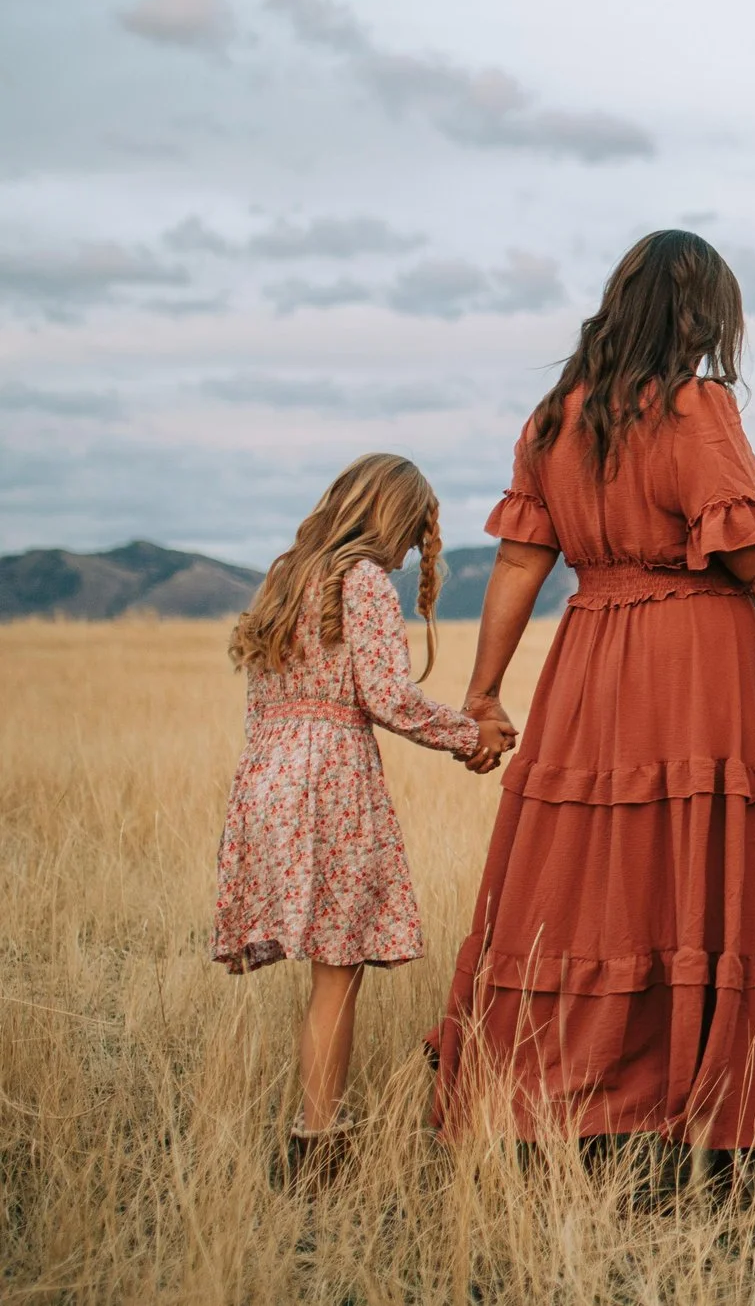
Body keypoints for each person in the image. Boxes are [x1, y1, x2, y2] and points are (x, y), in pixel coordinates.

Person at [428, 230, 755, 1158]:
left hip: (591, 662)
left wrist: (483, 694)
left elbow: (519, 565)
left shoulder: (552, 418)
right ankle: (701, 1115)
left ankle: (572, 1103)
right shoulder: (697, 407)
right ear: (701, 315)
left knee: (584, 881)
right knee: (694, 875)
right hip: (697, 666)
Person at [216, 453, 511, 1184]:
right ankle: (319, 1145)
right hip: (330, 784)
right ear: (392, 519)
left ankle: (315, 1136)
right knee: (336, 973)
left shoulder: (287, 579)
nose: (412, 552)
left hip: (266, 776)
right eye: (414, 534)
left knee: (326, 968)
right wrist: (470, 735)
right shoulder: (364, 581)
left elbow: (262, 702)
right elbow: (388, 696)